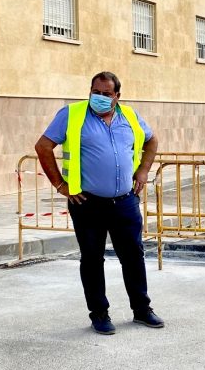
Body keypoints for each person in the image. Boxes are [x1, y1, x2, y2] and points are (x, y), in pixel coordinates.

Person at [34, 71, 163, 335]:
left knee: (133, 256)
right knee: (92, 259)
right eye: (96, 92)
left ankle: (141, 309)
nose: (100, 98)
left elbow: (151, 141)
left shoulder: (130, 116)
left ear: (117, 96)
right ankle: (99, 314)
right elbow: (43, 147)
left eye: (106, 94)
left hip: (125, 201)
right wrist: (61, 185)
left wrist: (143, 170)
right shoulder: (71, 114)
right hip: (88, 203)